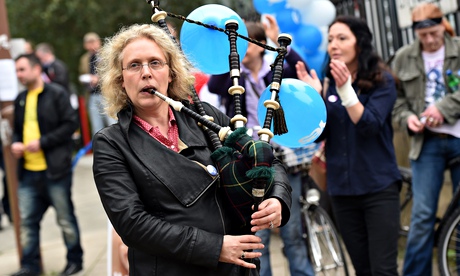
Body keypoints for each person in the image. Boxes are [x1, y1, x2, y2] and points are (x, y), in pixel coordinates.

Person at [92, 23, 292, 276]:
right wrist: (214, 247)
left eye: (155, 63)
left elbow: (264, 159)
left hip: (238, 268)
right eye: (134, 65)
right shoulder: (112, 143)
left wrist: (277, 199)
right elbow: (132, 223)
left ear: (171, 73)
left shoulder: (204, 116)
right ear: (121, 81)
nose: (146, 73)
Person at [208, 15, 314, 276]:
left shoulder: (274, 71)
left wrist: (279, 44)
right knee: (257, 236)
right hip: (246, 158)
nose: (243, 48)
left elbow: (298, 66)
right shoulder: (233, 77)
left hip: (281, 156)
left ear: (260, 44)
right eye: (239, 43)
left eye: (249, 42)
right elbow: (213, 83)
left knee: (291, 232)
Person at [297, 15, 401, 275]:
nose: (334, 44)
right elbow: (321, 135)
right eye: (331, 39)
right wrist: (315, 102)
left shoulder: (382, 81)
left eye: (342, 38)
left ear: (360, 43)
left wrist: (345, 90)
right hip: (342, 191)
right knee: (362, 269)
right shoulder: (330, 84)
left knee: (383, 270)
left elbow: (368, 125)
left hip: (378, 188)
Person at [391, 3, 460, 275]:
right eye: (423, 36)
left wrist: (442, 108)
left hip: (457, 138)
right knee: (422, 215)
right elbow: (396, 102)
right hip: (426, 144)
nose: (430, 40)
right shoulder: (403, 57)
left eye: (434, 33)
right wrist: (407, 118)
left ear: (442, 26)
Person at [11, 53, 83, 276]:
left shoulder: (57, 94)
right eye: (17, 71)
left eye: (22, 69)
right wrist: (15, 143)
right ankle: (29, 266)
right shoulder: (20, 98)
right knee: (27, 223)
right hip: (28, 172)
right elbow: (17, 130)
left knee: (65, 219)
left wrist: (42, 142)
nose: (19, 75)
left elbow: (71, 124)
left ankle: (75, 261)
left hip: (55, 170)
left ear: (36, 69)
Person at [78, 32, 116, 137]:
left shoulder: (106, 54)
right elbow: (82, 73)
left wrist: (99, 79)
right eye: (88, 43)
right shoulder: (84, 59)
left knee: (112, 121)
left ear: (99, 42)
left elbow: (112, 71)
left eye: (93, 41)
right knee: (96, 126)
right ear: (85, 45)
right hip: (92, 94)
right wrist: (86, 79)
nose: (91, 45)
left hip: (106, 93)